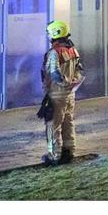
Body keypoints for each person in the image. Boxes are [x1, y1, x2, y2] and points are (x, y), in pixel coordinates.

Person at [41, 20, 84, 165]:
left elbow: (54, 74)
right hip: (70, 94)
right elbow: (79, 70)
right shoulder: (72, 50)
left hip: (57, 94)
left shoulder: (54, 52)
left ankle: (54, 156)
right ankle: (69, 151)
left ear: (55, 33)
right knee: (68, 123)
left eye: (49, 33)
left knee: (53, 125)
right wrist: (72, 83)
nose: (48, 36)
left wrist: (64, 84)